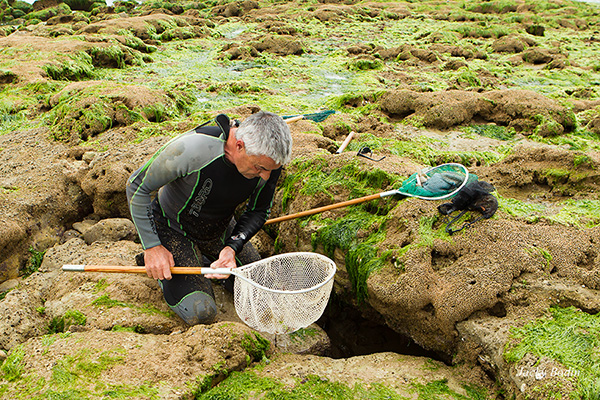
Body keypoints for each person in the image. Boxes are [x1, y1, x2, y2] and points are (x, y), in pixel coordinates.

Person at [126, 111, 292, 325]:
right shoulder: (194, 149)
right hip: (172, 228)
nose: (266, 176)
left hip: (219, 230)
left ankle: (204, 260)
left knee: (267, 293)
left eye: (271, 170)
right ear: (240, 145)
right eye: (259, 168)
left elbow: (258, 211)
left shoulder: (268, 162)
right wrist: (152, 247)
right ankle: (159, 264)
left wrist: (232, 248)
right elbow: (137, 186)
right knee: (202, 312)